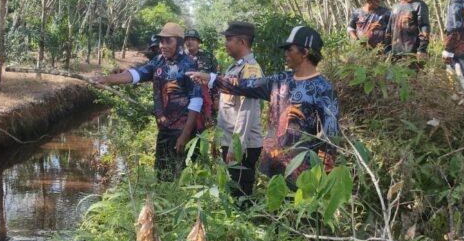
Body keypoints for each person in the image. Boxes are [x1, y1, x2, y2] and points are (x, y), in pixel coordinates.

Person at [190, 25, 338, 190]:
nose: (285, 53)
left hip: (302, 170)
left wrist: (325, 177)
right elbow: (246, 85)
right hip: (275, 165)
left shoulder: (324, 89)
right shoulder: (280, 80)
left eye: (290, 49)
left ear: (305, 52)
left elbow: (330, 137)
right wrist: (211, 78)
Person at [90, 22, 202, 181]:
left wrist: (185, 135)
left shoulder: (189, 65)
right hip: (164, 130)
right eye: (161, 41)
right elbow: (136, 74)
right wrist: (108, 79)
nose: (163, 45)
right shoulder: (158, 61)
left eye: (168, 41)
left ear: (179, 42)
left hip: (182, 131)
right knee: (161, 175)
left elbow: (196, 101)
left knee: (180, 177)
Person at [215, 22, 264, 199]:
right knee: (232, 192)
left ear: (242, 42)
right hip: (231, 141)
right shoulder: (234, 67)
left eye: (229, 39)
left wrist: (236, 147)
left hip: (242, 145)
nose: (225, 43)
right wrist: (219, 139)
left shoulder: (251, 70)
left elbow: (246, 112)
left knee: (240, 196)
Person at [385, 0, 430, 64]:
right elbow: (389, 29)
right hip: (395, 53)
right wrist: (387, 49)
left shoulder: (419, 5)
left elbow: (424, 27)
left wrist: (421, 49)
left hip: (411, 53)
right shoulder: (395, 6)